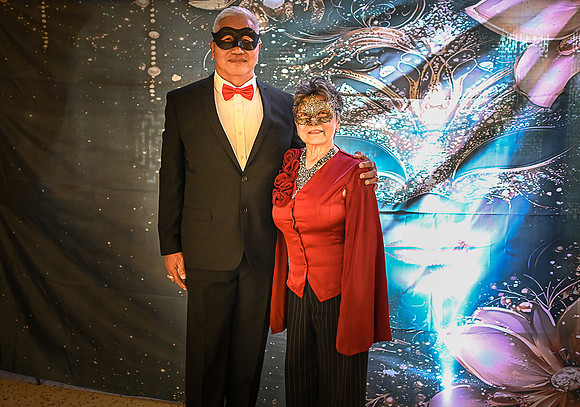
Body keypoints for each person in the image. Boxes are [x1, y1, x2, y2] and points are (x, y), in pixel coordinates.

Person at [157, 6, 378, 407]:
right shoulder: (182, 102)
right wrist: (170, 244)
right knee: (206, 354)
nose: (237, 48)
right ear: (213, 46)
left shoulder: (283, 105)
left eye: (247, 40)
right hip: (205, 248)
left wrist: (358, 168)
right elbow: (171, 177)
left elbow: (310, 160)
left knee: (249, 356)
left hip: (265, 250)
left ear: (258, 48)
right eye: (227, 39)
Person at [270, 76, 391, 407]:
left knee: (341, 386)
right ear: (296, 123)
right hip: (296, 291)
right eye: (305, 116)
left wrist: (357, 306)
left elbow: (365, 246)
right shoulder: (288, 165)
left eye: (323, 115)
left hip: (338, 296)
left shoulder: (354, 172)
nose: (314, 124)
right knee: (300, 381)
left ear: (337, 119)